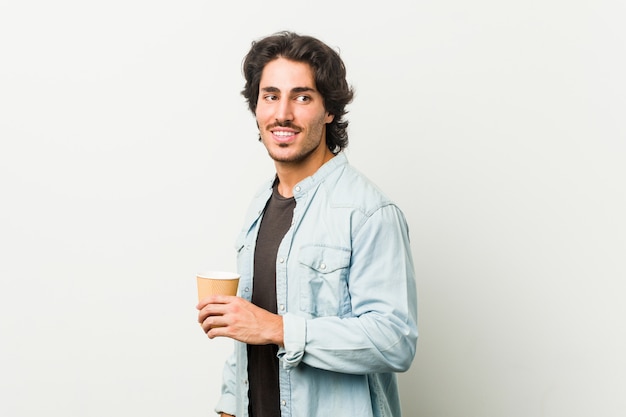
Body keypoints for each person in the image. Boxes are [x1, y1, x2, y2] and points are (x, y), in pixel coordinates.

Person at [197, 30, 418, 417]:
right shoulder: (260, 204)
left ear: (329, 110)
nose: (283, 113)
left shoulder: (369, 212)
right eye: (270, 96)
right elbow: (248, 333)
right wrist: (228, 408)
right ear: (257, 107)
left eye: (302, 97)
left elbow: (395, 340)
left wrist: (278, 328)